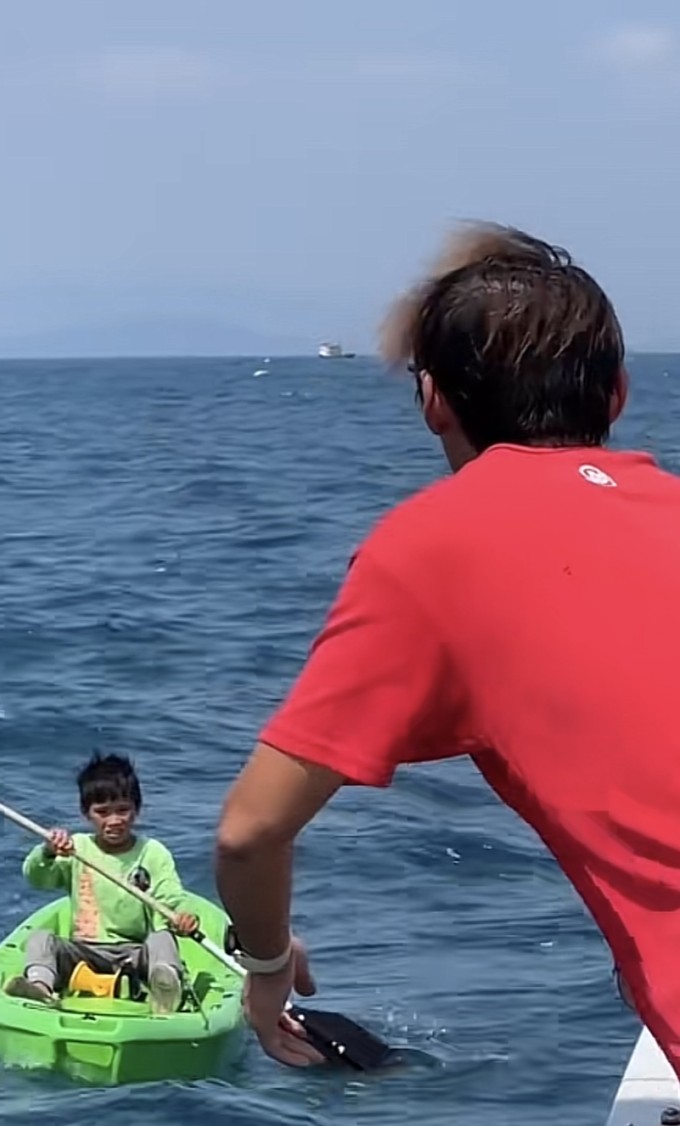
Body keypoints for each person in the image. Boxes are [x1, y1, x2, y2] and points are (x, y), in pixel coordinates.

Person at [215, 223, 680, 1071]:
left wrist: (268, 967)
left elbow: (250, 830)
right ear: (616, 393)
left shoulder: (430, 551)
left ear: (434, 403)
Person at [6, 750, 199, 1012]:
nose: (114, 820)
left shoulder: (152, 852)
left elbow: (170, 897)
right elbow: (38, 878)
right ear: (87, 813)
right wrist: (48, 852)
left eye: (123, 810)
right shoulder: (76, 848)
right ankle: (40, 988)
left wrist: (182, 918)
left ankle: (165, 990)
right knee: (41, 939)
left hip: (134, 952)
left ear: (137, 810)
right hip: (84, 951)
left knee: (162, 939)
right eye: (102, 812)